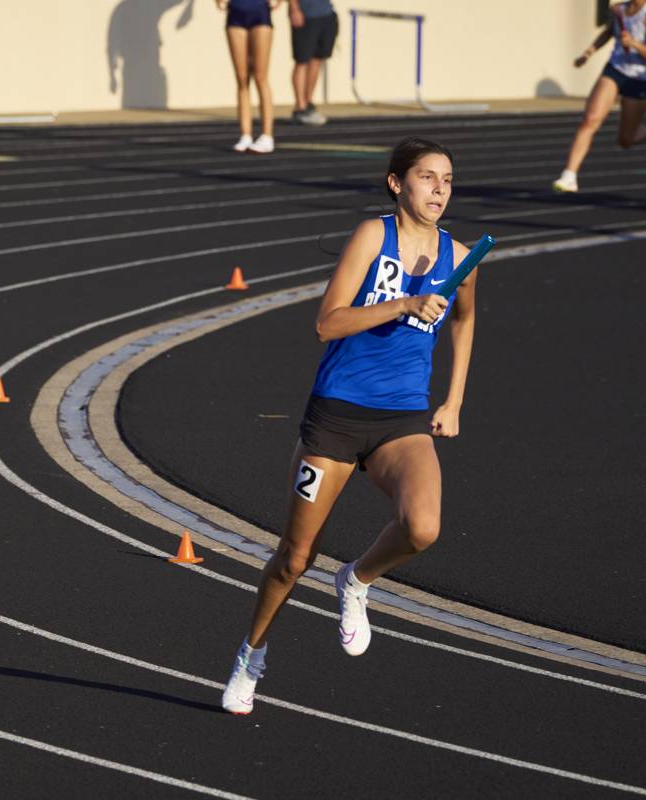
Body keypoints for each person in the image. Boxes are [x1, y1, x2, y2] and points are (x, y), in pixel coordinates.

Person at [220, 137, 477, 714]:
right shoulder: (372, 237)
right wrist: (404, 304)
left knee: (423, 528)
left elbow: (465, 320)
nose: (439, 189)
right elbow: (327, 324)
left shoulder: (460, 257)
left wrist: (454, 400)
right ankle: (250, 656)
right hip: (335, 417)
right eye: (427, 177)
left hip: (402, 419)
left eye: (447, 180)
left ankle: (357, 580)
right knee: (294, 558)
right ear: (396, 183)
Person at [553, 0, 646, 193]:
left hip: (639, 78)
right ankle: (569, 175)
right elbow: (608, 32)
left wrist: (634, 44)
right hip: (615, 69)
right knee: (590, 119)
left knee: (625, 140)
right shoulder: (620, 9)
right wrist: (588, 53)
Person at [217, 0, 281, 153]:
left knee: (260, 77)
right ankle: (245, 135)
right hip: (236, 15)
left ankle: (267, 135)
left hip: (260, 15)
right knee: (242, 79)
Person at [286, 0, 338, 125]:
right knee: (302, 61)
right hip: (305, 15)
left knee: (317, 59)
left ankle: (308, 103)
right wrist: (294, 9)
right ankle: (300, 107)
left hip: (326, 14)